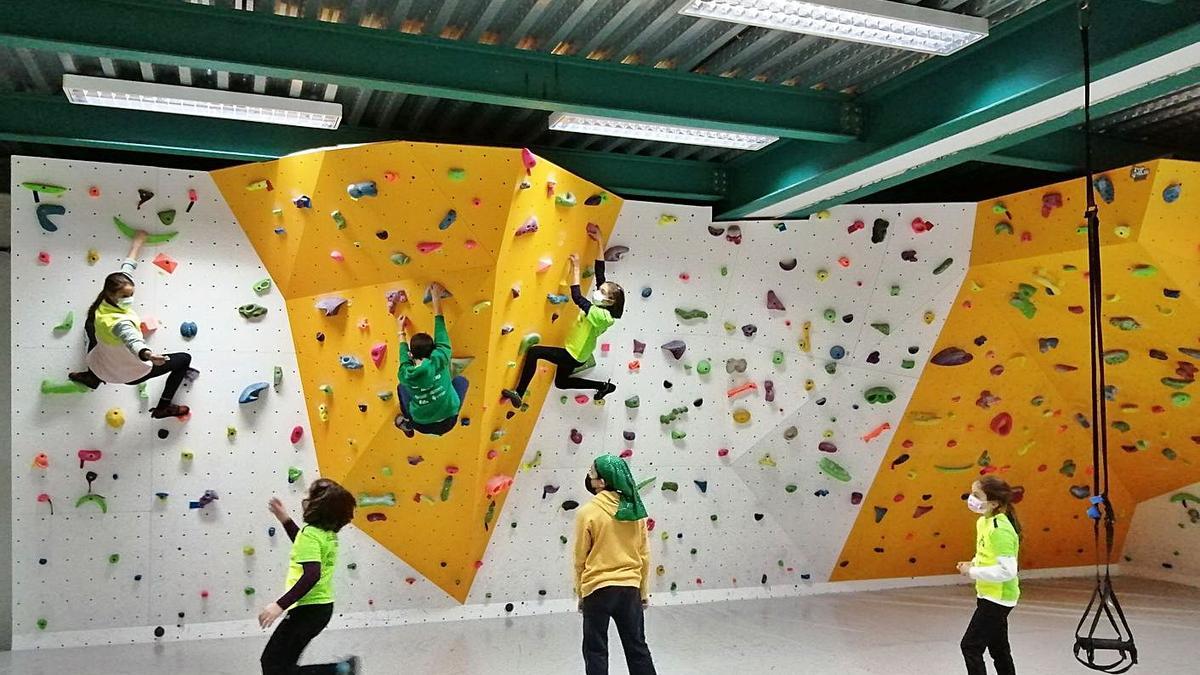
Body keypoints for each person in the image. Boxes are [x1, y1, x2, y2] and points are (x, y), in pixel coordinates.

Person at [68, 230, 194, 419]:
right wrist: (148, 354)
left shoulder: (101, 307)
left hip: (99, 365)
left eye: (131, 294)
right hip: (130, 374)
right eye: (126, 296)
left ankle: (92, 377)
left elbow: (126, 269)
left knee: (90, 326)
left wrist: (137, 244)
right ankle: (163, 407)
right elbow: (132, 340)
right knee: (184, 358)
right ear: (112, 294)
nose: (130, 298)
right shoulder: (120, 322)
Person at [259, 478, 360, 675]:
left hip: (308, 611)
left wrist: (279, 605)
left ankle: (340, 670)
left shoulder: (312, 534)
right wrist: (285, 520)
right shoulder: (326, 534)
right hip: (320, 609)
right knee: (280, 666)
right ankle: (340, 670)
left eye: (309, 496)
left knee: (273, 666)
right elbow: (303, 545)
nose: (304, 499)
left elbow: (312, 575)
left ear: (318, 505)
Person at [502, 254, 623, 408]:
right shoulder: (604, 308)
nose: (598, 291)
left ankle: (519, 393)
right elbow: (600, 276)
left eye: (603, 292)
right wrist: (599, 242)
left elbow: (577, 297)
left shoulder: (601, 315)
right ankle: (603, 387)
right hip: (579, 352)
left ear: (610, 301)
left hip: (574, 354)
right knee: (561, 383)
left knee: (535, 352)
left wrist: (576, 267)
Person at [574, 454, 656, 675]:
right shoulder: (635, 512)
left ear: (603, 482)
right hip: (629, 588)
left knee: (595, 650)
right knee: (637, 647)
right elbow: (644, 555)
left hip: (597, 589)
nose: (589, 478)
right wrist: (643, 591)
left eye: (592, 474)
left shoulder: (587, 513)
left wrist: (581, 593)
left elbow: (580, 559)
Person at [957, 476, 1022, 675]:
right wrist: (973, 563)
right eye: (971, 493)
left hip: (998, 598)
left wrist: (972, 572)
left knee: (970, 646)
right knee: (999, 648)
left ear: (994, 503)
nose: (971, 498)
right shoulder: (984, 522)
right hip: (987, 594)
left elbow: (1007, 571)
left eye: (977, 495)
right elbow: (985, 553)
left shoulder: (1000, 530)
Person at [394, 281, 469, 437]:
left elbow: (403, 359)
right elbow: (441, 333)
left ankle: (408, 423)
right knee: (461, 381)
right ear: (434, 351)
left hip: (421, 424)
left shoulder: (406, 373)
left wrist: (400, 332)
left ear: (411, 356)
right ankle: (409, 421)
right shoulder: (439, 359)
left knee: (402, 387)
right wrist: (436, 298)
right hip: (449, 421)